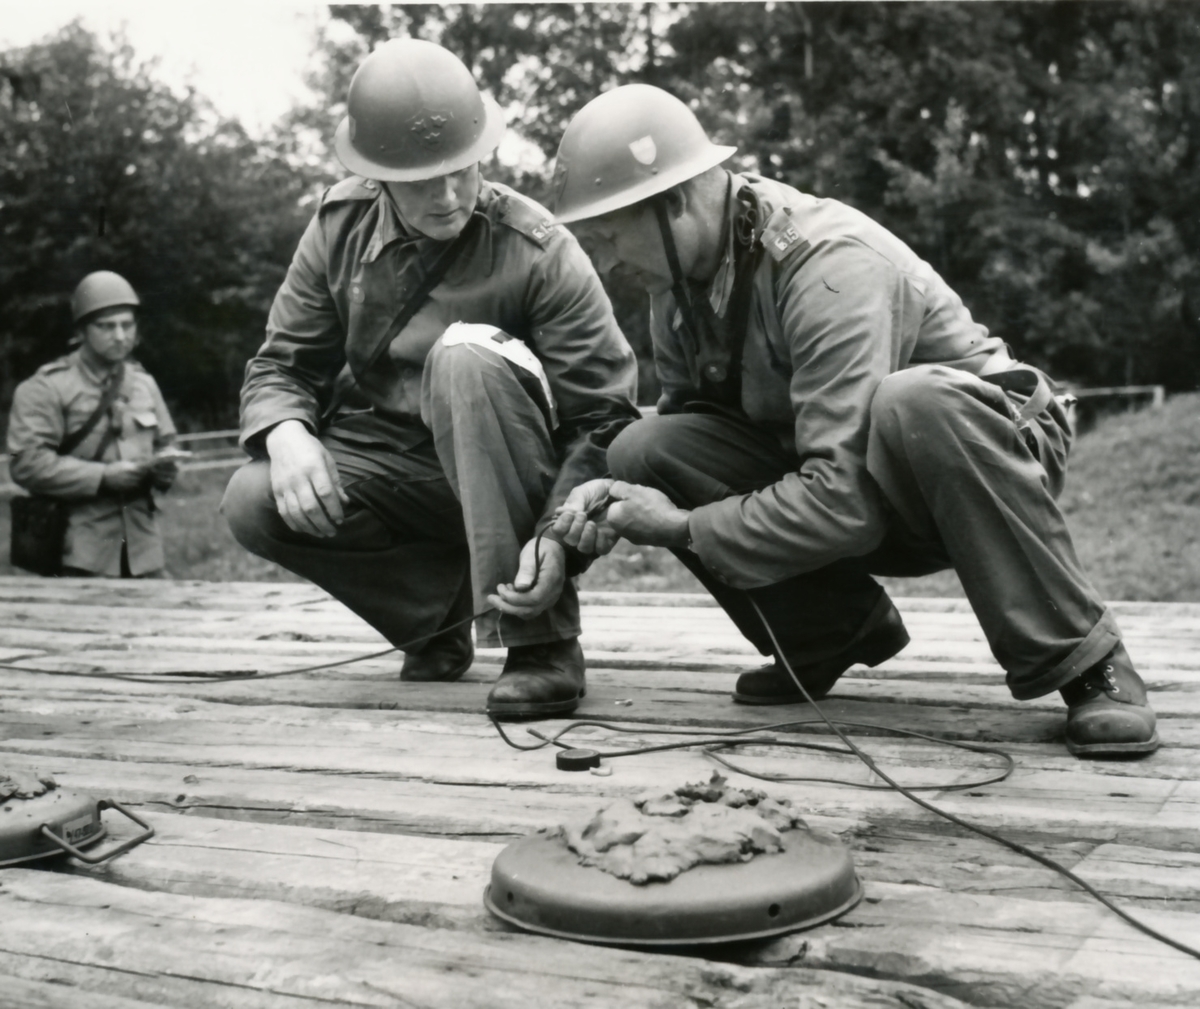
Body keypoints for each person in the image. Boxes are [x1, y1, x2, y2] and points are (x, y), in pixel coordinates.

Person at [549, 84, 1157, 758]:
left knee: (913, 401)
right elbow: (697, 428)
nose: (604, 262)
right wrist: (594, 503)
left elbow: (844, 503)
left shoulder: (827, 264)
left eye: (607, 237)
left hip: (985, 452)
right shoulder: (680, 284)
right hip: (854, 474)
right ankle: (826, 631)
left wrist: (682, 527)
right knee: (644, 447)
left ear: (674, 204)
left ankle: (1087, 659)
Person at [221, 39, 639, 719]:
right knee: (252, 496)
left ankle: (541, 641)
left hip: (514, 479)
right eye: (421, 181)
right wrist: (287, 431)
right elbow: (282, 364)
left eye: (463, 171)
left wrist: (558, 540)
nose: (449, 197)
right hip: (395, 469)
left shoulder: (540, 250)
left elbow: (604, 417)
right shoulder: (337, 228)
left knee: (463, 355)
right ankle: (434, 620)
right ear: (378, 175)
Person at [7, 270, 179, 577]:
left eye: (127, 325)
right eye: (106, 326)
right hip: (77, 552)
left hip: (144, 551)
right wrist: (103, 476)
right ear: (83, 330)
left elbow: (166, 444)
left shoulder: (143, 384)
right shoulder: (46, 388)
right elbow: (27, 463)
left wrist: (165, 468)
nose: (120, 335)